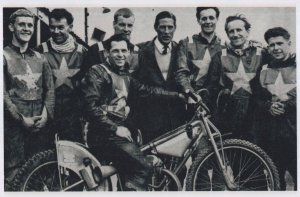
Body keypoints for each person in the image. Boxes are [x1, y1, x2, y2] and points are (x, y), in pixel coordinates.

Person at [81, 34, 184, 191]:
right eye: (115, 51)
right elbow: (89, 108)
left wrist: (179, 96)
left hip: (118, 133)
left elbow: (148, 91)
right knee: (144, 166)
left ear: (129, 52)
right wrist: (115, 129)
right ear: (107, 53)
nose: (121, 55)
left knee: (134, 166)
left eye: (124, 50)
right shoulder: (98, 73)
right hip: (102, 134)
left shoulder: (125, 75)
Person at [3, 9, 55, 190]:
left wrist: (46, 114)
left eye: (30, 25)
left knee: (38, 167)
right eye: (21, 24)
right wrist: (19, 119)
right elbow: (2, 94)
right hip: (13, 127)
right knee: (13, 169)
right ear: (11, 27)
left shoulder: (41, 58)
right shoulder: (4, 56)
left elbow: (49, 90)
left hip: (39, 124)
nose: (26, 28)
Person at [207, 14, 268, 139]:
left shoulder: (261, 53)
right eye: (231, 31)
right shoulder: (219, 56)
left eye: (239, 30)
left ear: (247, 31)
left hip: (255, 114)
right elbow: (212, 88)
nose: (235, 34)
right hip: (227, 115)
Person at [251, 27, 296, 190]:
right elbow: (256, 97)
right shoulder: (263, 69)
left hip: (295, 133)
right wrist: (269, 106)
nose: (276, 48)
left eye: (280, 43)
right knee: (277, 182)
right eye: (272, 45)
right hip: (273, 136)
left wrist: (287, 105)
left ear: (289, 43)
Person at [131, 11, 186, 144]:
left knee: (176, 161)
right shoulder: (141, 50)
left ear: (175, 28)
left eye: (170, 27)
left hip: (175, 118)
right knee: (153, 160)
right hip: (150, 118)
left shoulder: (180, 49)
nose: (166, 31)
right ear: (156, 28)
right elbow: (133, 83)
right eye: (162, 27)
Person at [36, 8, 88, 142]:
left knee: (72, 151)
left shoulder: (84, 52)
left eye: (61, 27)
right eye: (52, 27)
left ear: (70, 27)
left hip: (73, 113)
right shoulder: (40, 50)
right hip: (48, 111)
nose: (56, 32)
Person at [176, 7, 222, 96]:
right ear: (198, 20)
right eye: (204, 18)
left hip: (216, 98)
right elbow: (181, 74)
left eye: (211, 18)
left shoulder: (224, 45)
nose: (208, 21)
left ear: (217, 19)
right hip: (192, 97)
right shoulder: (186, 43)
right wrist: (192, 95)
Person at [84, 8, 140, 73]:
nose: (126, 29)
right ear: (114, 24)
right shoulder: (96, 49)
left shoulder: (137, 52)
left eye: (130, 25)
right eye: (122, 25)